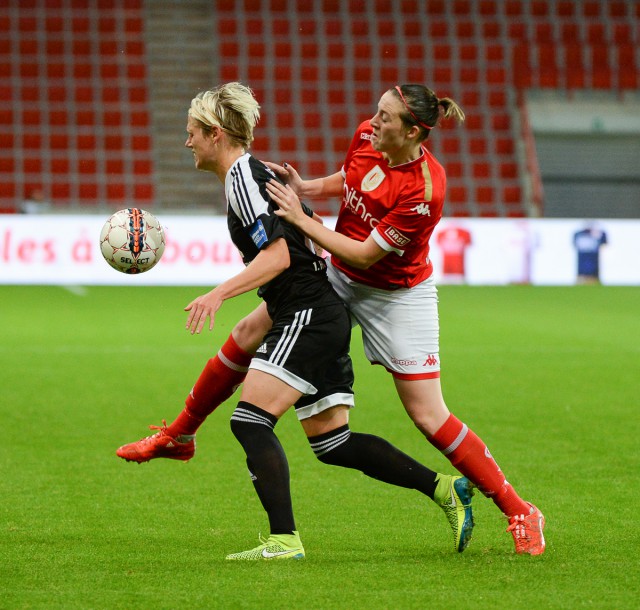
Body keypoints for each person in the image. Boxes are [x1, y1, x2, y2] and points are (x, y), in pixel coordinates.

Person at [117, 82, 475, 560]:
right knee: (332, 442)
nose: (188, 144)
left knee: (249, 421)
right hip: (316, 308)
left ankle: (284, 540)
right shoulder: (255, 174)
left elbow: (280, 256)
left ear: (216, 134)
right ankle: (444, 489)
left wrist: (218, 293)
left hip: (306, 313)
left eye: (192, 134)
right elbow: (296, 243)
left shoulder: (245, 180)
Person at [264, 83, 545, 556]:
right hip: (337, 276)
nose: (373, 123)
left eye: (386, 118)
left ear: (413, 132)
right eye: (376, 112)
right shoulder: (368, 137)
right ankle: (181, 429)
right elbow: (352, 180)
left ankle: (520, 510)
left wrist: (301, 216)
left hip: (396, 295)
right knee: (258, 324)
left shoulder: (424, 189)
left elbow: (365, 254)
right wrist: (307, 187)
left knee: (428, 415)